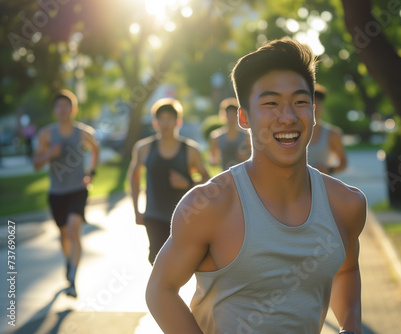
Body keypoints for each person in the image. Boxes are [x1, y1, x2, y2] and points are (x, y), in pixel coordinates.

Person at [146, 38, 366, 334]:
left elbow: (347, 269)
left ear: (313, 111)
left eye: (300, 102)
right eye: (271, 103)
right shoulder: (208, 206)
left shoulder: (346, 205)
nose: (287, 117)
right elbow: (161, 289)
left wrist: (351, 327)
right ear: (244, 117)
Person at [33, 89, 99, 298]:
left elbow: (95, 150)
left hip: (78, 190)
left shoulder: (83, 132)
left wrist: (91, 173)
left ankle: (73, 276)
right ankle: (69, 261)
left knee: (73, 229)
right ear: (55, 110)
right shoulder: (46, 134)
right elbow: (35, 164)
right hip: (56, 193)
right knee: (64, 234)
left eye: (67, 105)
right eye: (59, 106)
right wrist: (49, 154)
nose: (63, 109)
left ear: (74, 109)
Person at [128, 98, 210, 265]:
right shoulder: (143, 148)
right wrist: (136, 209)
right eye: (161, 119)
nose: (165, 123)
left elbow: (208, 179)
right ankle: (162, 290)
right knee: (156, 259)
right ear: (155, 122)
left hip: (184, 216)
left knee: (179, 261)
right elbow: (134, 176)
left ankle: (169, 289)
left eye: (169, 119)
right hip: (154, 215)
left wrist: (187, 183)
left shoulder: (190, 150)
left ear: (177, 122)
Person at [308, 83, 348, 174]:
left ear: (322, 107)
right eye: (310, 103)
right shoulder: (292, 132)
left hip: (322, 186)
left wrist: (329, 170)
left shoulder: (332, 134)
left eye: (318, 103)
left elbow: (344, 163)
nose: (315, 108)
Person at [209, 97, 250, 170]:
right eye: (229, 114)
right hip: (225, 177)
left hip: (243, 175)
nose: (231, 117)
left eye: (234, 114)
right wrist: (216, 160)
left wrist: (245, 157)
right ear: (224, 115)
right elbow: (212, 160)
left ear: (238, 116)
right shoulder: (216, 136)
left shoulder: (246, 136)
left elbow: (255, 159)